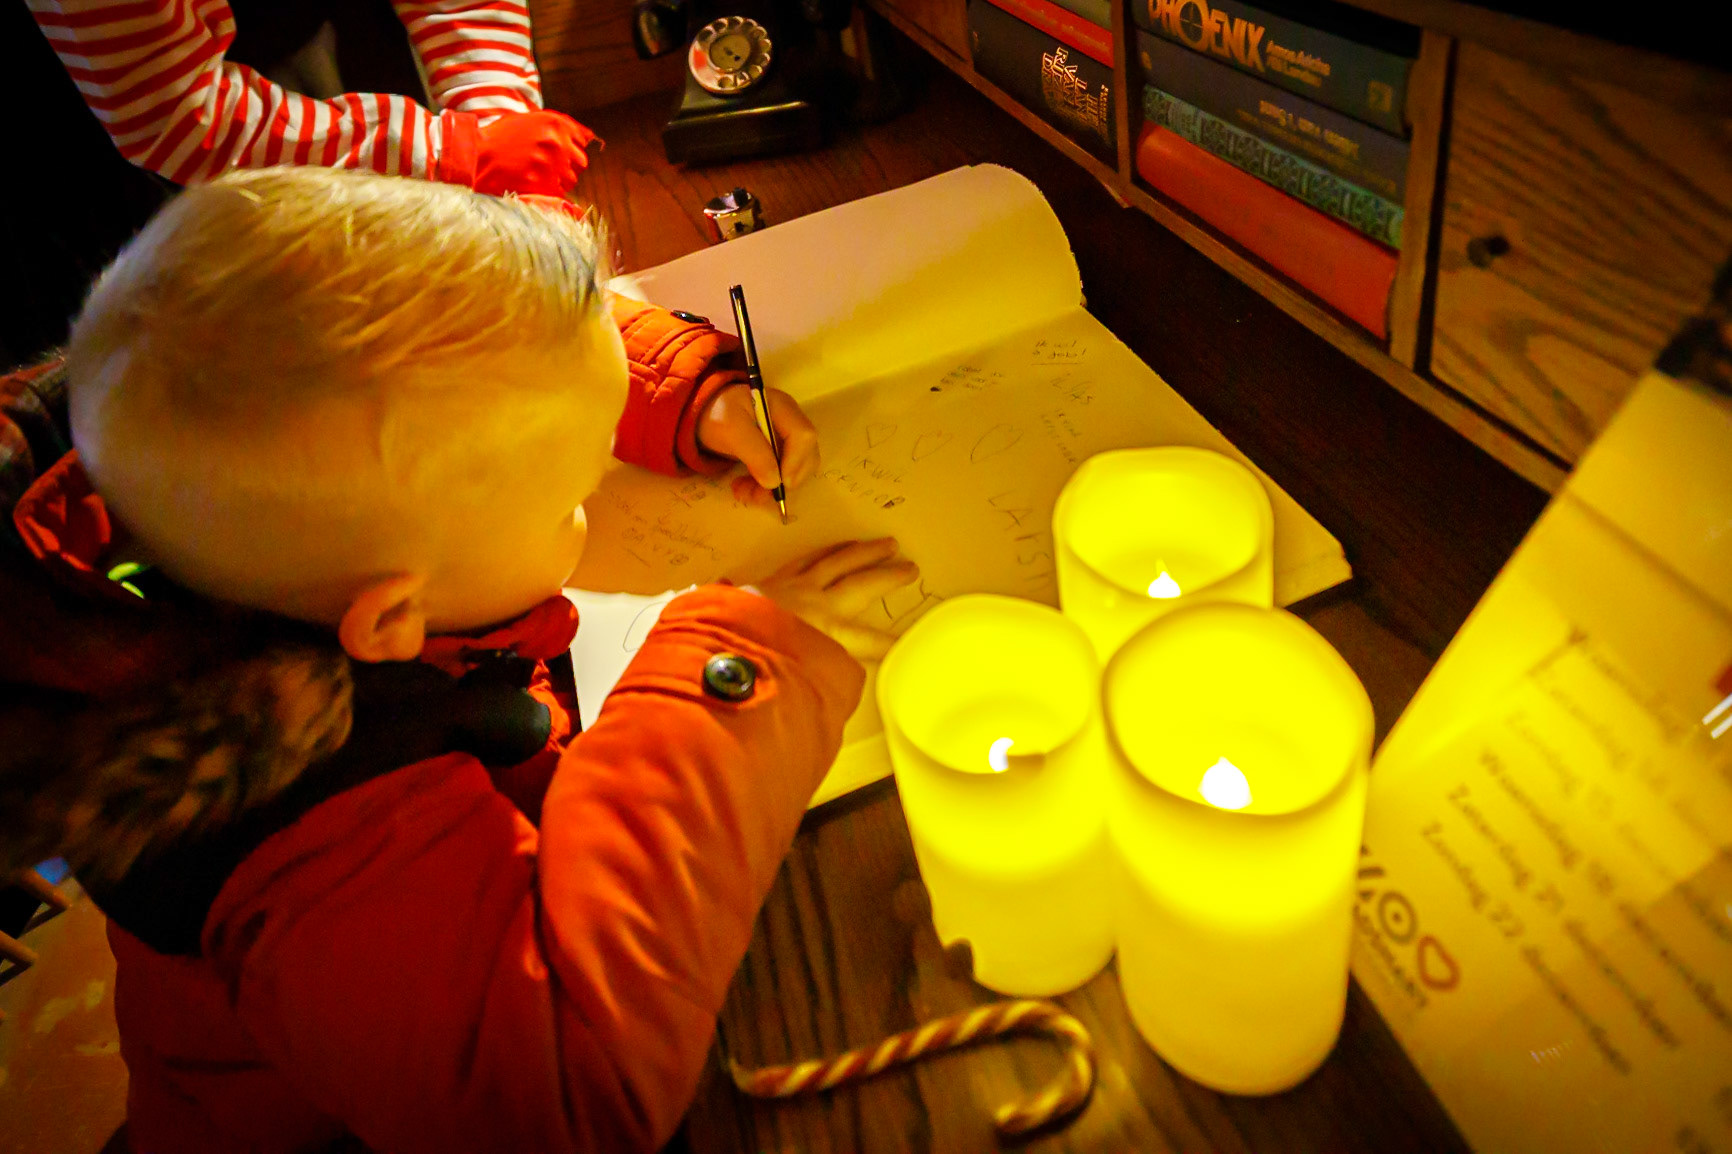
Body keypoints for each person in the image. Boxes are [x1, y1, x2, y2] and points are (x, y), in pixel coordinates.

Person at [0, 166, 919, 1152]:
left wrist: (679, 395)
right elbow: (566, 1096)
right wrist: (734, 669)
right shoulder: (315, 846)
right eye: (571, 491)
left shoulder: (177, 419)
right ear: (395, 616)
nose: (590, 498)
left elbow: (477, 345)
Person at [24, 0, 596, 193]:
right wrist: (450, 152)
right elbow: (169, 112)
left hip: (331, 39)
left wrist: (493, 117)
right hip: (103, 152)